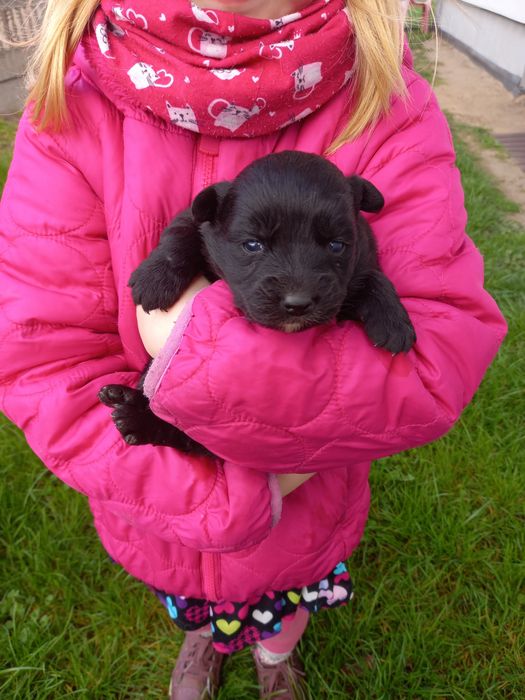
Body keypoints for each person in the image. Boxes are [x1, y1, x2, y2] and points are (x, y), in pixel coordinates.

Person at [0, 0, 506, 698]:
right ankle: (203, 641)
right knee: (194, 601)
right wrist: (225, 498)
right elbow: (41, 359)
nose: (296, 297)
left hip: (305, 502)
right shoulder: (73, 108)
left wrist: (185, 346)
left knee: (285, 608)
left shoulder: (385, 105)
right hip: (162, 511)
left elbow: (432, 357)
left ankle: (275, 662)